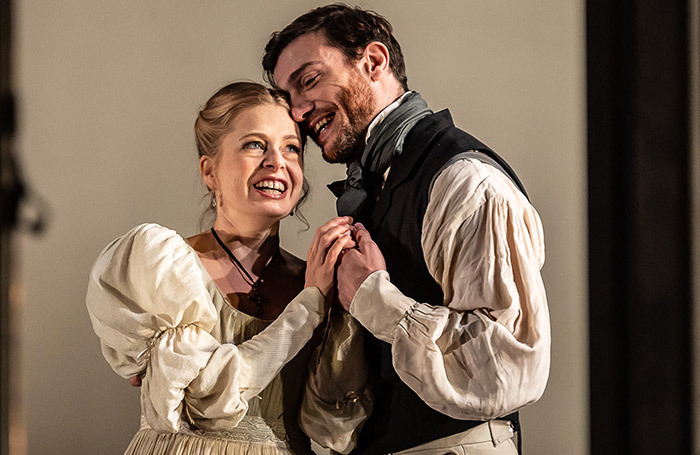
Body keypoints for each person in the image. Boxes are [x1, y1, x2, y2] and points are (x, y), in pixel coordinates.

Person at [262, 5, 551, 455]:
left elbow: (508, 364)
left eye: (309, 80)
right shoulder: (375, 188)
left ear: (374, 62)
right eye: (288, 99)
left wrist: (373, 298)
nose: (297, 113)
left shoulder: (466, 183)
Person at [86, 81, 356, 455]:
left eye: (291, 148)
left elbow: (338, 425)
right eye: (255, 145)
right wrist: (306, 308)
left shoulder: (322, 279)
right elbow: (206, 399)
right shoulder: (161, 270)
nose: (276, 161)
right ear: (209, 171)